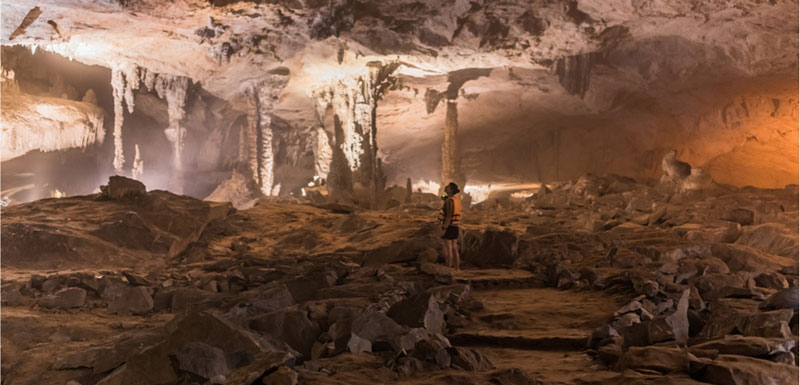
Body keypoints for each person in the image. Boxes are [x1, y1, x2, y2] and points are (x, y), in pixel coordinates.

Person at [438, 182, 462, 270]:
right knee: (455, 248)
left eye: (448, 187)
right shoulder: (456, 200)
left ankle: (448, 268)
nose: (446, 187)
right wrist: (444, 198)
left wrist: (444, 228)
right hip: (456, 226)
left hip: (449, 226)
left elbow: (448, 216)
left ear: (451, 190)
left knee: (448, 248)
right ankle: (457, 268)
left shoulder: (449, 201)